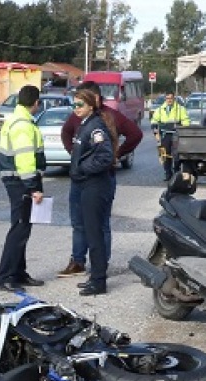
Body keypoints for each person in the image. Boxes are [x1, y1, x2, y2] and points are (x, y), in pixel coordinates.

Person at [57, 79, 143, 278]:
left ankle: (100, 265)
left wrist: (117, 154)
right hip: (79, 181)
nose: (77, 106)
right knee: (78, 223)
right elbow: (66, 132)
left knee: (101, 224)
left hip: (101, 179)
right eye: (76, 102)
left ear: (94, 98)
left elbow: (135, 134)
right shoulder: (79, 116)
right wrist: (74, 155)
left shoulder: (110, 116)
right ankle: (78, 261)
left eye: (81, 101)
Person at [0, 84, 46, 293]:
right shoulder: (23, 124)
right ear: (36, 103)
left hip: (18, 180)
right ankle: (5, 276)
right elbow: (25, 159)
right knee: (20, 227)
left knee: (24, 226)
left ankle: (18, 272)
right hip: (20, 182)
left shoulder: (19, 120)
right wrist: (33, 187)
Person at [68, 87, 116, 296]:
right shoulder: (85, 125)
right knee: (90, 231)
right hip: (87, 185)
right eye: (74, 104)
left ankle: (99, 281)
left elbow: (105, 157)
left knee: (95, 234)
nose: (76, 109)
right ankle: (95, 277)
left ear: (90, 106)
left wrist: (82, 168)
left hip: (96, 185)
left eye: (80, 105)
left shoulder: (96, 128)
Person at [150, 91, 190, 181]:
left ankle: (176, 172)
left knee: (176, 155)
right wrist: (155, 132)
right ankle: (168, 173)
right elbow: (154, 121)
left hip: (176, 135)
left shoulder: (180, 109)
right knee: (164, 154)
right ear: (165, 99)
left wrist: (183, 128)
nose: (169, 100)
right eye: (167, 98)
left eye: (171, 98)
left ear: (174, 99)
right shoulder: (160, 110)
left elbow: (186, 121)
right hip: (165, 135)